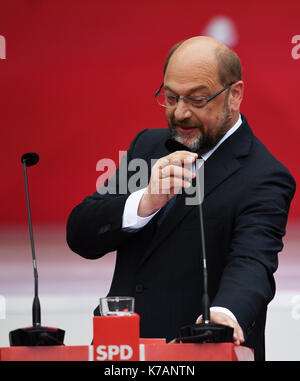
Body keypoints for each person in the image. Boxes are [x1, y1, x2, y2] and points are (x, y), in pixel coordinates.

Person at [66, 36, 296, 361]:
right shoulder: (147, 147)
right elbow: (81, 234)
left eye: (197, 100)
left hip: (200, 351)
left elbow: (252, 262)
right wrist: (144, 203)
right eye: (171, 97)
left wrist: (224, 316)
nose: (180, 113)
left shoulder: (264, 175)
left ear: (235, 95)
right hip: (122, 354)